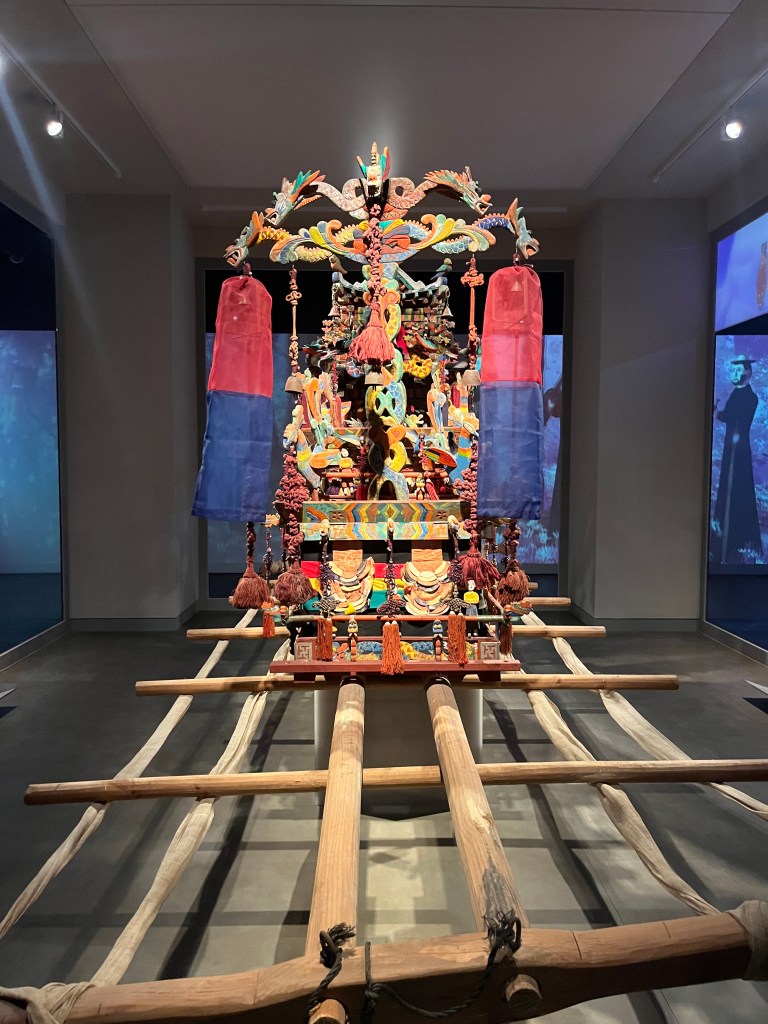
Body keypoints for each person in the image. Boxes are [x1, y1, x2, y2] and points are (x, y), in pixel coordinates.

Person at [712, 356, 763, 564]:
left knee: (738, 488)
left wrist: (721, 413)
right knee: (727, 487)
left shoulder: (750, 397)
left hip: (739, 452)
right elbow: (728, 417)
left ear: (748, 372)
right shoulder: (736, 393)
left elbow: (737, 418)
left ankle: (736, 539)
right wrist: (717, 413)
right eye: (732, 371)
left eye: (738, 370)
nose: (734, 374)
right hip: (730, 450)